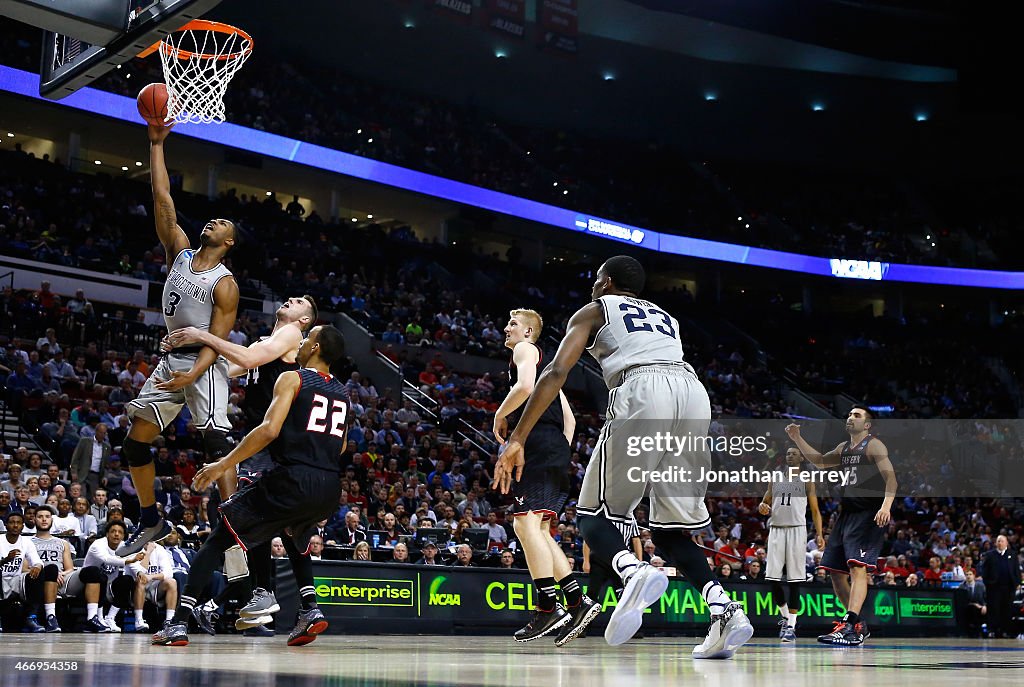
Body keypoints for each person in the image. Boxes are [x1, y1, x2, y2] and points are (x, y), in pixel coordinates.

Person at [498, 256, 753, 657]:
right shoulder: (667, 316)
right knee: (669, 530)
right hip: (692, 394)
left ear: (609, 281)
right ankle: (724, 609)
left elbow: (555, 373)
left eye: (597, 278)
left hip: (643, 387)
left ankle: (633, 571)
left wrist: (516, 438)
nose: (594, 284)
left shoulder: (595, 309)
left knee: (591, 514)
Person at [151, 325, 348, 647]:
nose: (301, 342)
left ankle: (178, 623)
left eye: (307, 338)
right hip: (328, 486)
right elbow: (340, 447)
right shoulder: (342, 391)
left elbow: (269, 430)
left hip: (293, 478)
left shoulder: (293, 378)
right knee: (296, 538)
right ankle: (310, 609)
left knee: (220, 536)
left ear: (315, 348)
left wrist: (222, 464)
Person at [119, 122, 240, 556]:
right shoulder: (180, 252)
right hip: (171, 359)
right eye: (213, 218)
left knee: (216, 443)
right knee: (134, 442)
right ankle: (151, 518)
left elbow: (217, 342)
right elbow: (163, 199)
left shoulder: (226, 284)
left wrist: (192, 378)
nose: (213, 221)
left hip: (204, 366)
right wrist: (156, 144)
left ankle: (236, 526)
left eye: (221, 223)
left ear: (228, 242)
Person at [165, 294, 318, 634]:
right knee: (260, 520)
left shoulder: (292, 335)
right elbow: (225, 369)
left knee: (247, 518)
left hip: (275, 443)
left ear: (304, 320)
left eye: (298, 303)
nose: (290, 301)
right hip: (259, 442)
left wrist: (202, 335)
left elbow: (246, 359)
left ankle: (263, 595)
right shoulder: (266, 341)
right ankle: (287, 601)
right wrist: (188, 368)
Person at [490, 307, 594, 644]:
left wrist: (499, 415)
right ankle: (577, 602)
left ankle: (548, 606)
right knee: (542, 529)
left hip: (539, 443)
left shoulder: (525, 350)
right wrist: (556, 448)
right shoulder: (548, 370)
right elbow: (572, 422)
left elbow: (522, 388)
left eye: (514, 324)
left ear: (529, 333)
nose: (507, 328)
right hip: (555, 448)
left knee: (523, 523)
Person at [786, 405, 897, 646]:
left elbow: (891, 478)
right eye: (849, 414)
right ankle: (856, 624)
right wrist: (797, 438)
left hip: (869, 514)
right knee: (835, 572)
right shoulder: (844, 448)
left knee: (858, 568)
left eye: (856, 415)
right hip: (846, 514)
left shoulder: (874, 445)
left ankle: (849, 624)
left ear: (866, 425)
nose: (850, 417)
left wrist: (886, 506)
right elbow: (820, 462)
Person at [759, 446, 823, 642]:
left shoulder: (807, 480)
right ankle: (786, 617)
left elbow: (815, 510)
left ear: (801, 457)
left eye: (794, 453)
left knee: (795, 579)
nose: (790, 455)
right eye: (787, 453)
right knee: (772, 578)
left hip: (797, 529)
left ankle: (791, 626)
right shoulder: (775, 478)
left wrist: (819, 534)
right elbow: (765, 503)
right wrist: (762, 506)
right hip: (776, 529)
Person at [31, 504, 108, 632]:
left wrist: (61, 573)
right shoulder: (29, 542)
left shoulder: (63, 543)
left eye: (47, 517)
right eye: (40, 517)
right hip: (41, 579)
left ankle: (92, 618)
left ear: (52, 520)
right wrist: (51, 572)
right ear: (34, 520)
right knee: (51, 569)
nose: (44, 519)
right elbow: (26, 569)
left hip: (63, 579)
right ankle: (51, 617)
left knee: (92, 571)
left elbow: (70, 568)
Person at [82, 520, 146, 632]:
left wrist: (139, 572)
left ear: (123, 536)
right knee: (100, 576)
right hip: (88, 581)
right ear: (107, 534)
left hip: (109, 585)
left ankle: (110, 618)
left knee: (127, 580)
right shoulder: (98, 544)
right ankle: (98, 618)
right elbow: (107, 559)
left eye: (120, 532)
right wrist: (128, 561)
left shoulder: (124, 546)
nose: (116, 534)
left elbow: (134, 562)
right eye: (113, 531)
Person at [0, 512, 47, 632]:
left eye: (18, 523)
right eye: (12, 522)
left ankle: (31, 618)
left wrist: (37, 566)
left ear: (22, 526)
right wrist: (5, 560)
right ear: (6, 525)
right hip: (1, 579)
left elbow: (38, 561)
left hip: (16, 580)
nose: (15, 525)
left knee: (39, 572)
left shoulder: (26, 542)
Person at [128, 541, 178, 632]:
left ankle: (169, 621)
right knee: (140, 580)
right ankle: (139, 620)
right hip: (133, 587)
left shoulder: (159, 548)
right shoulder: (132, 548)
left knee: (172, 582)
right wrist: (148, 552)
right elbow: (140, 572)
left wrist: (151, 576)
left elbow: (169, 573)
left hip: (154, 584)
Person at [979, 534, 1020, 638]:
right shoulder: (989, 555)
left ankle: (1005, 631)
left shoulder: (1013, 555)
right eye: (998, 541)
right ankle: (993, 630)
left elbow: (1016, 571)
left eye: (1002, 541)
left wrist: (1016, 583)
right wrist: (988, 583)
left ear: (1006, 543)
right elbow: (984, 571)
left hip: (1008, 588)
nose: (1000, 543)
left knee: (1007, 610)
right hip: (994, 588)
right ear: (995, 543)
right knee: (994, 609)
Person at [957, 569, 987, 637]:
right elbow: (961, 601)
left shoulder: (981, 586)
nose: (968, 576)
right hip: (968, 608)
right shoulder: (962, 586)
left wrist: (984, 606)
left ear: (974, 576)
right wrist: (974, 604)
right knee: (972, 609)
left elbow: (985, 598)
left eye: (970, 574)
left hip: (980, 607)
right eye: (967, 575)